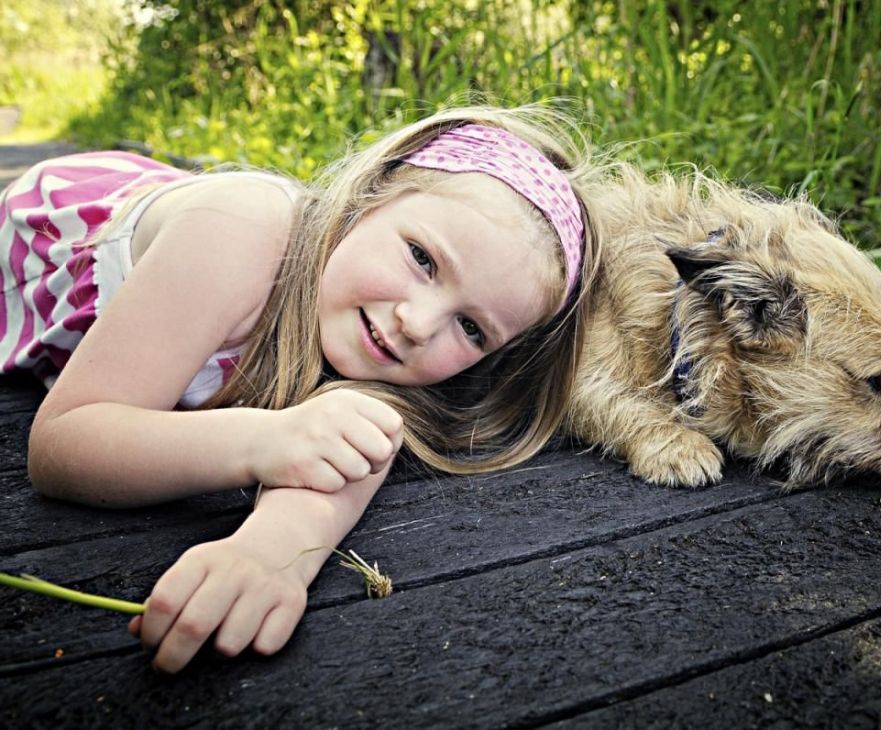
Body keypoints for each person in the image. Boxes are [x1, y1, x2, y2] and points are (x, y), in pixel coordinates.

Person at [0, 105, 601, 673]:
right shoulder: (237, 233)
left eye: (471, 328)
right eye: (422, 258)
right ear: (371, 197)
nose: (417, 325)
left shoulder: (390, 368)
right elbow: (61, 445)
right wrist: (262, 440)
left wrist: (269, 554)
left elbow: (344, 453)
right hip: (48, 232)